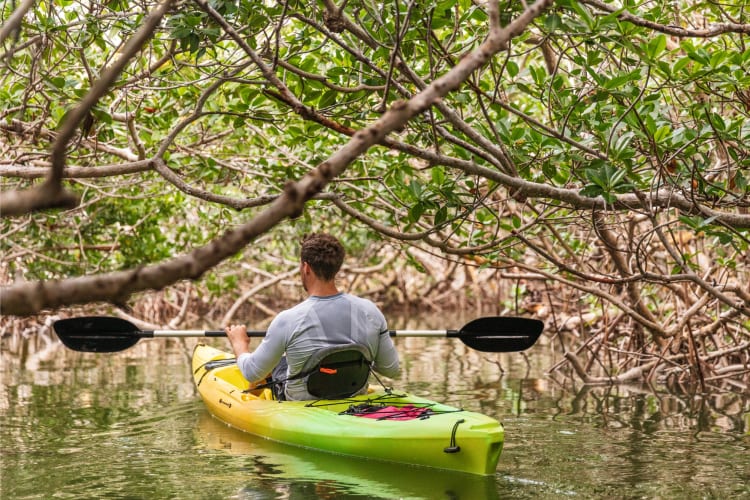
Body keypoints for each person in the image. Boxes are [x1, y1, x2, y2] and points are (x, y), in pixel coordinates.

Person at [225, 233, 400, 400]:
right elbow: (391, 369)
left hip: (301, 405)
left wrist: (240, 344)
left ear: (306, 268)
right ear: (337, 267)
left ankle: (249, 400)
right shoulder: (371, 311)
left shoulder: (287, 320)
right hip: (354, 397)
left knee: (275, 365)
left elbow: (251, 372)